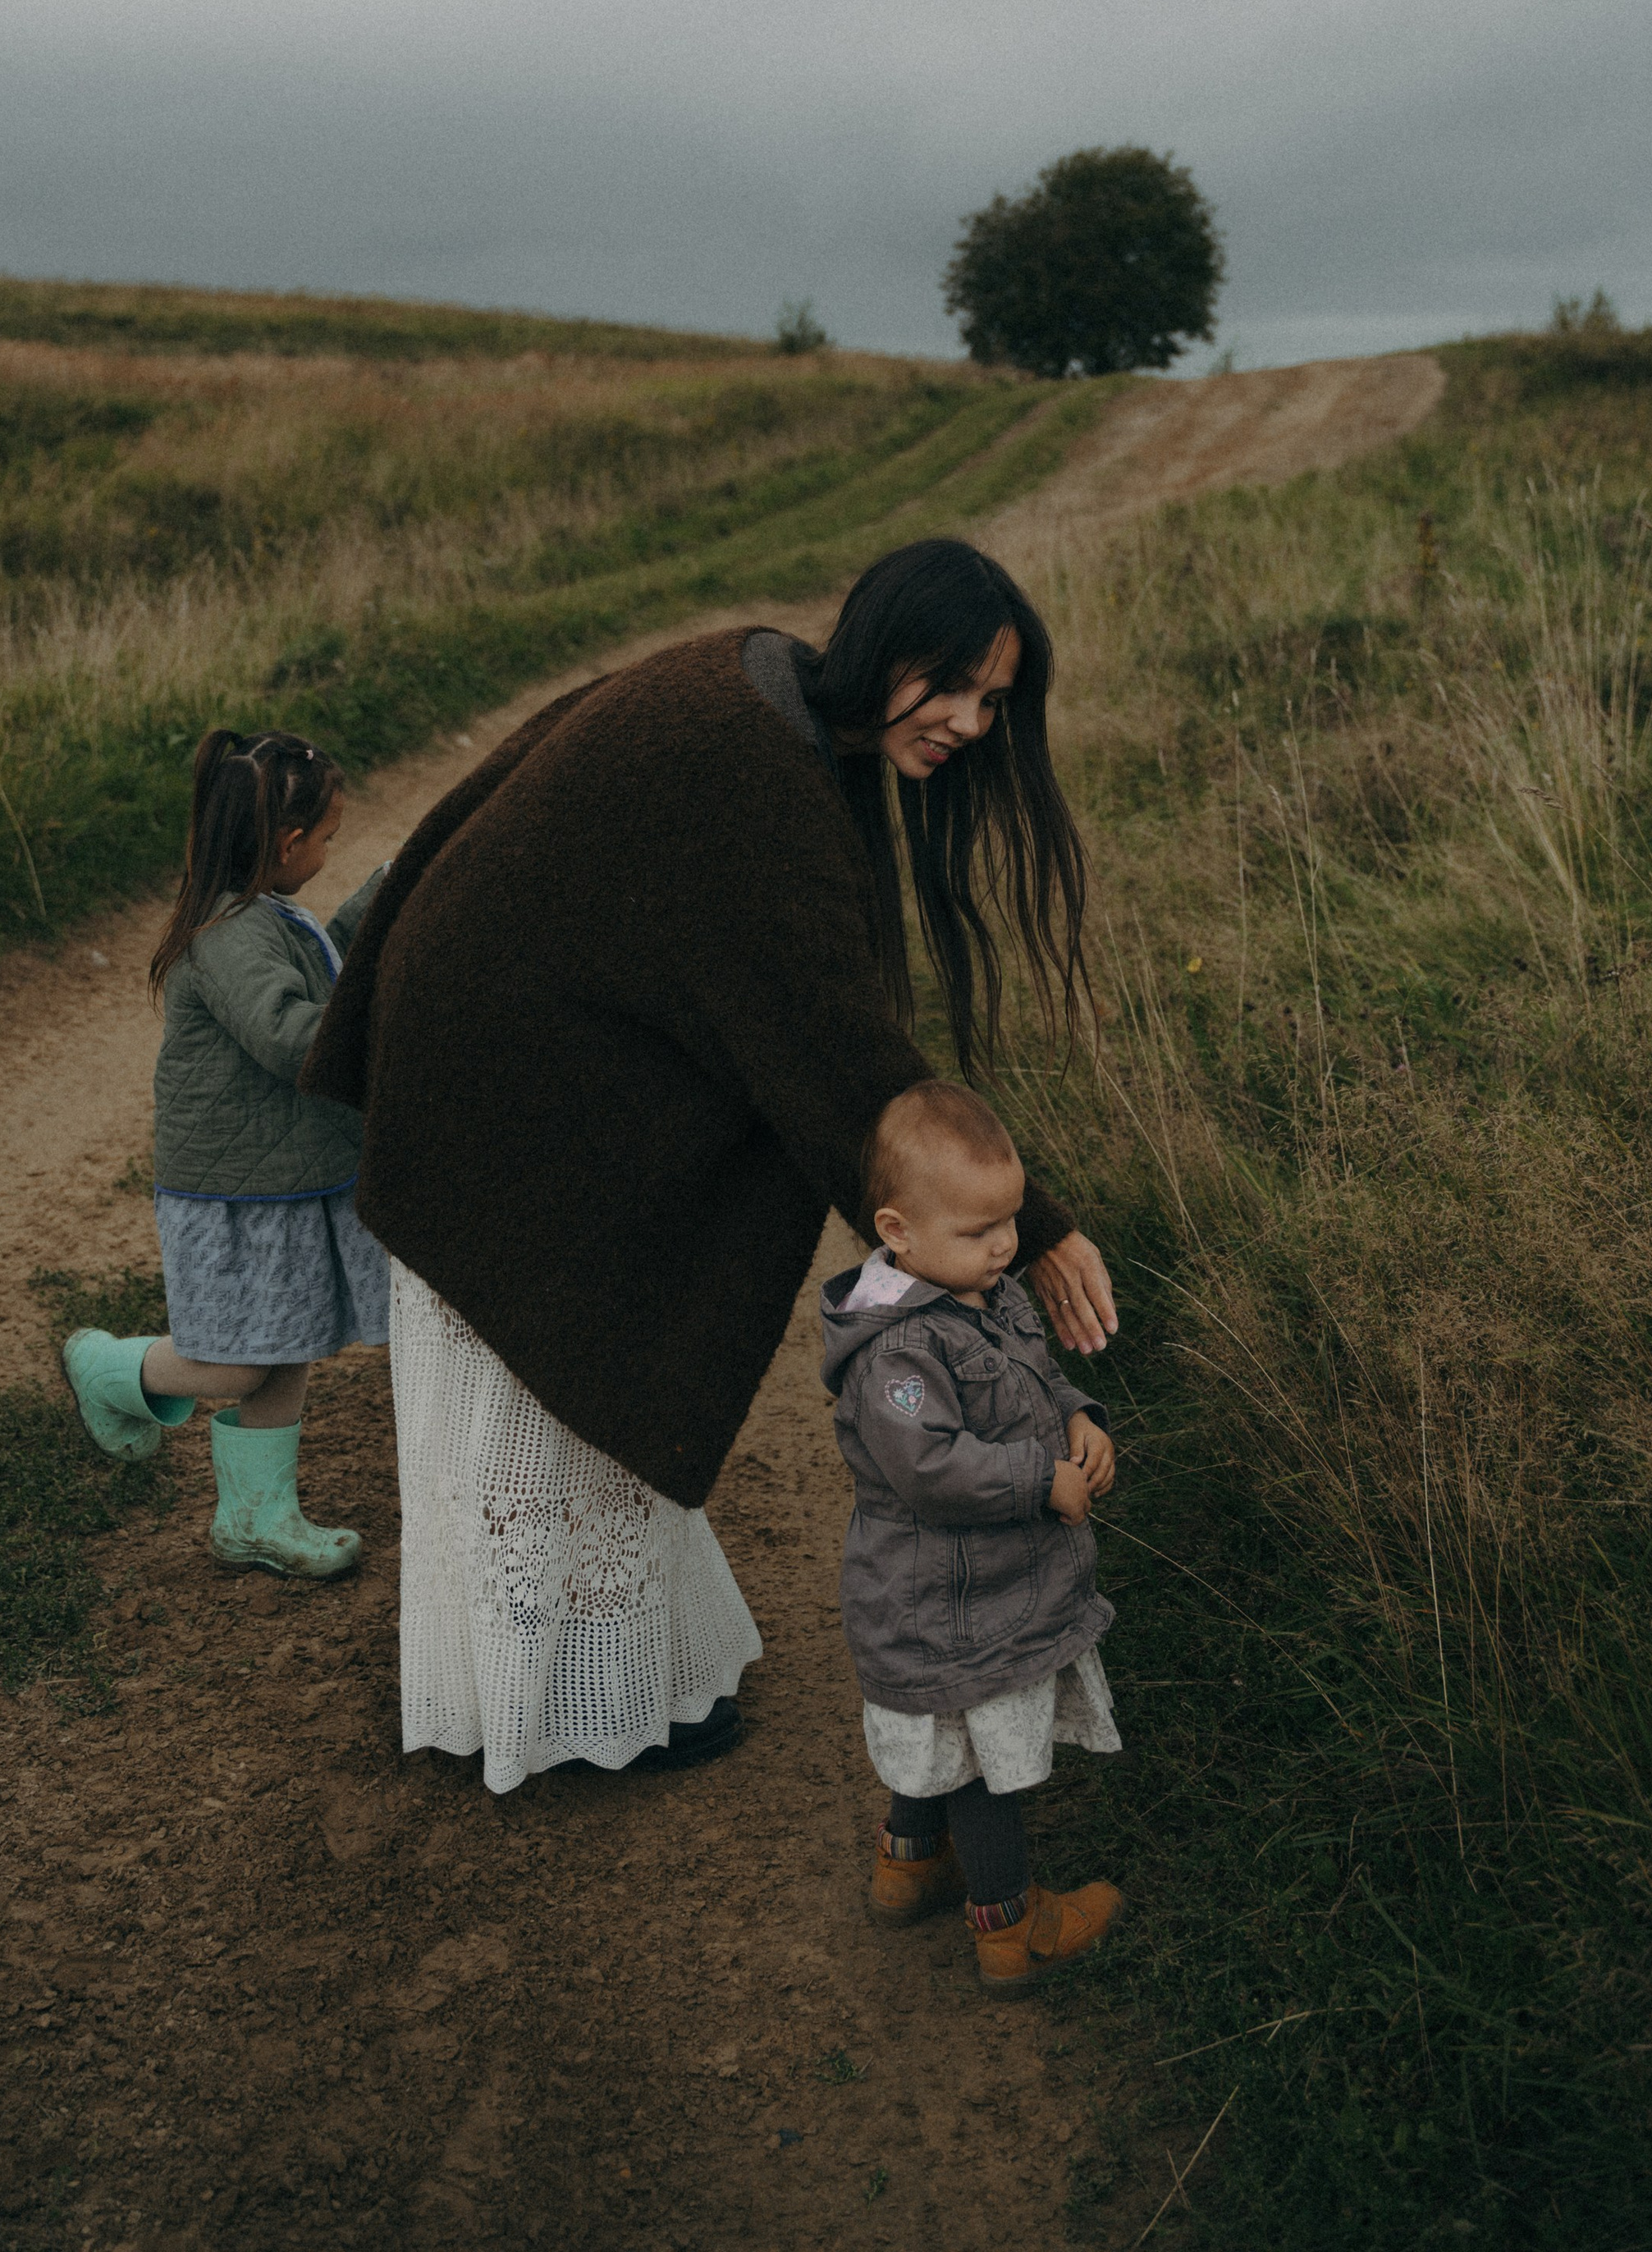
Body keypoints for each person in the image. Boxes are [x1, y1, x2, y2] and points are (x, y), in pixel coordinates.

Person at [301, 534, 1120, 1792]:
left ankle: (618, 1681)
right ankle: (559, 1715)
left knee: (568, 1399)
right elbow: (837, 1056)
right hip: (502, 1073)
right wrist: (1041, 1226)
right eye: (949, 682)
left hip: (524, 1039)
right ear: (878, 642)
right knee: (545, 1397)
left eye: (995, 701)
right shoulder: (758, 766)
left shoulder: (776, 690)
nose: (967, 720)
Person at [62, 727, 391, 1580]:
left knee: (290, 1342)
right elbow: (290, 1034)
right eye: (325, 839)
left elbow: (326, 971)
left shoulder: (265, 911)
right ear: (285, 844)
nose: (327, 852)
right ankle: (113, 1365)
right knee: (242, 1360)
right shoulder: (233, 932)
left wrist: (388, 898)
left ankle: (257, 1516)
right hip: (236, 1195)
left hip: (280, 1180)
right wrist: (383, 1025)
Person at [821, 1080, 1122, 1997]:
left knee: (937, 1734)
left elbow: (1029, 1377)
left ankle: (907, 1862)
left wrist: (1077, 1416)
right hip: (946, 1604)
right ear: (896, 1228)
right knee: (981, 1764)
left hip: (966, 1600)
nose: (1002, 1245)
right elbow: (930, 1467)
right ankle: (1010, 1927)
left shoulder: (976, 1286)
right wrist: (1041, 1481)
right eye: (977, 1229)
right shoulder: (898, 1353)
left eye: (1010, 1220)